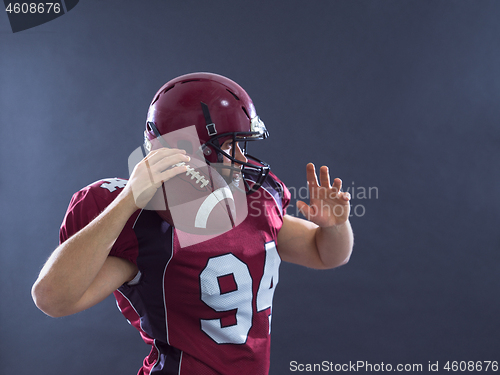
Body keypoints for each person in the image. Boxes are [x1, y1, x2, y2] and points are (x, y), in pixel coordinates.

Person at [31, 72, 354, 375]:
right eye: (229, 146)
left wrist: (335, 226)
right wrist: (129, 198)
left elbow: (324, 254)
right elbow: (53, 299)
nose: (241, 160)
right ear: (184, 152)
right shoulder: (147, 222)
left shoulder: (255, 201)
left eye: (243, 145)